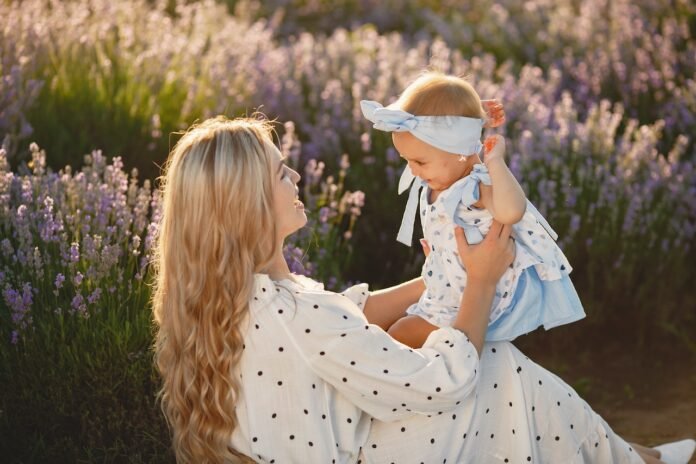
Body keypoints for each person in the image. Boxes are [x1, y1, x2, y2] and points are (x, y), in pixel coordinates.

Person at [151, 116, 694, 464]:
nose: (296, 178)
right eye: (280, 173)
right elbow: (441, 382)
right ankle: (630, 461)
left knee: (487, 366)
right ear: (247, 204)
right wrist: (479, 282)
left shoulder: (242, 298)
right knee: (494, 368)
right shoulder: (300, 316)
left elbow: (347, 317)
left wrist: (436, 278)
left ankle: (630, 458)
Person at [360, 71, 585, 348]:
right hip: (449, 287)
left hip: (471, 296)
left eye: (420, 161)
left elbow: (512, 211)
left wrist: (496, 162)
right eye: (407, 160)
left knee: (399, 335)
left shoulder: (474, 185)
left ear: (458, 150)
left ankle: (414, 385)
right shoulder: (445, 177)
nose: (412, 170)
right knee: (394, 332)